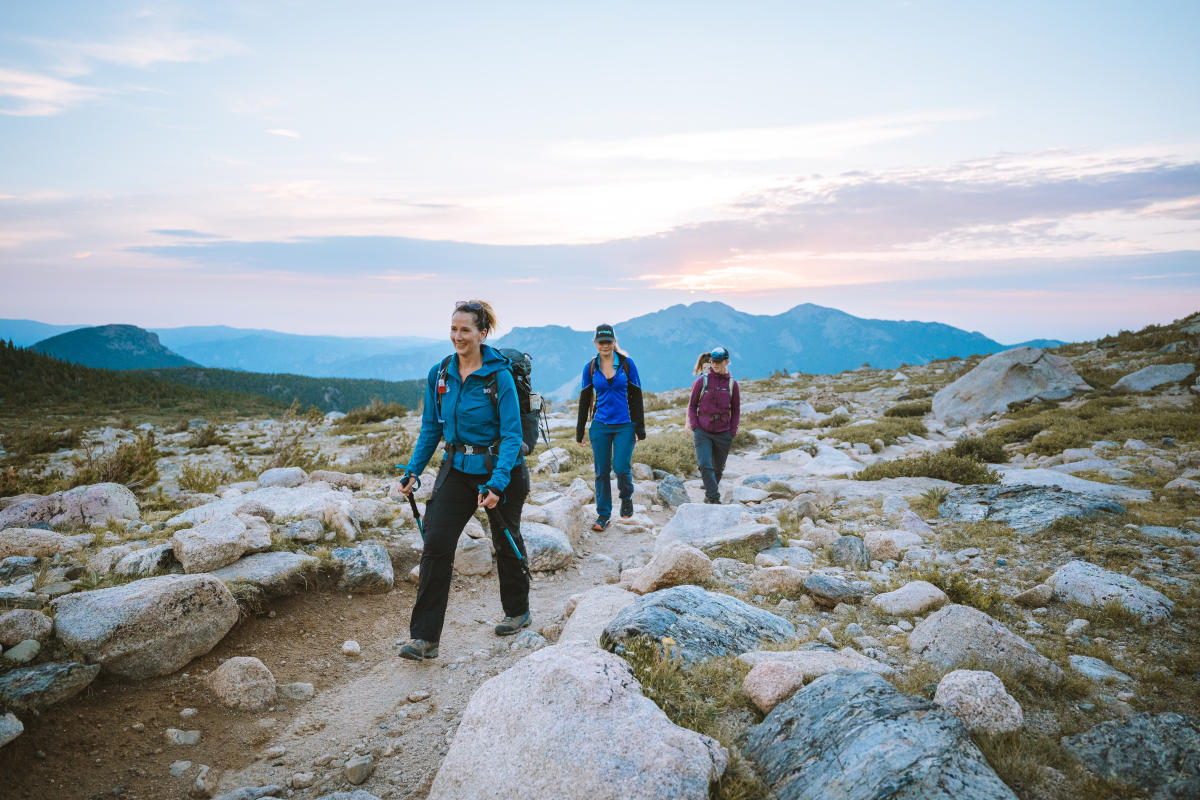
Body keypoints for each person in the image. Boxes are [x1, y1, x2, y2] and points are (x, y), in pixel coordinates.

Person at [395, 300, 530, 661]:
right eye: (453, 328)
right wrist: (413, 470)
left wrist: (498, 484)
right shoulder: (440, 374)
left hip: (501, 469)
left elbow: (513, 435)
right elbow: (431, 428)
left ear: (483, 333)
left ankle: (517, 611)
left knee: (505, 538)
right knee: (437, 544)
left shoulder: (499, 376)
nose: (457, 336)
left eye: (465, 329)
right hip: (456, 467)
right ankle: (424, 638)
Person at [575, 323, 645, 530]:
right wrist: (579, 431)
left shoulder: (627, 364)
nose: (605, 345)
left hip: (625, 425)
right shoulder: (590, 367)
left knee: (621, 467)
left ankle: (626, 497)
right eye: (601, 342)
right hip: (600, 426)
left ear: (614, 342)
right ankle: (603, 515)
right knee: (601, 472)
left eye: (608, 341)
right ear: (595, 343)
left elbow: (637, 397)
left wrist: (640, 428)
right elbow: (584, 400)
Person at [687, 346, 740, 504]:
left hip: (724, 432)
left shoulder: (732, 385)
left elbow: (736, 409)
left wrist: (733, 430)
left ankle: (709, 495)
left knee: (718, 469)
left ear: (727, 362)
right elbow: (692, 405)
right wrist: (695, 426)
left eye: (718, 362)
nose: (715, 365)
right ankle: (715, 499)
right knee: (704, 465)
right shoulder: (701, 382)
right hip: (703, 430)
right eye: (712, 362)